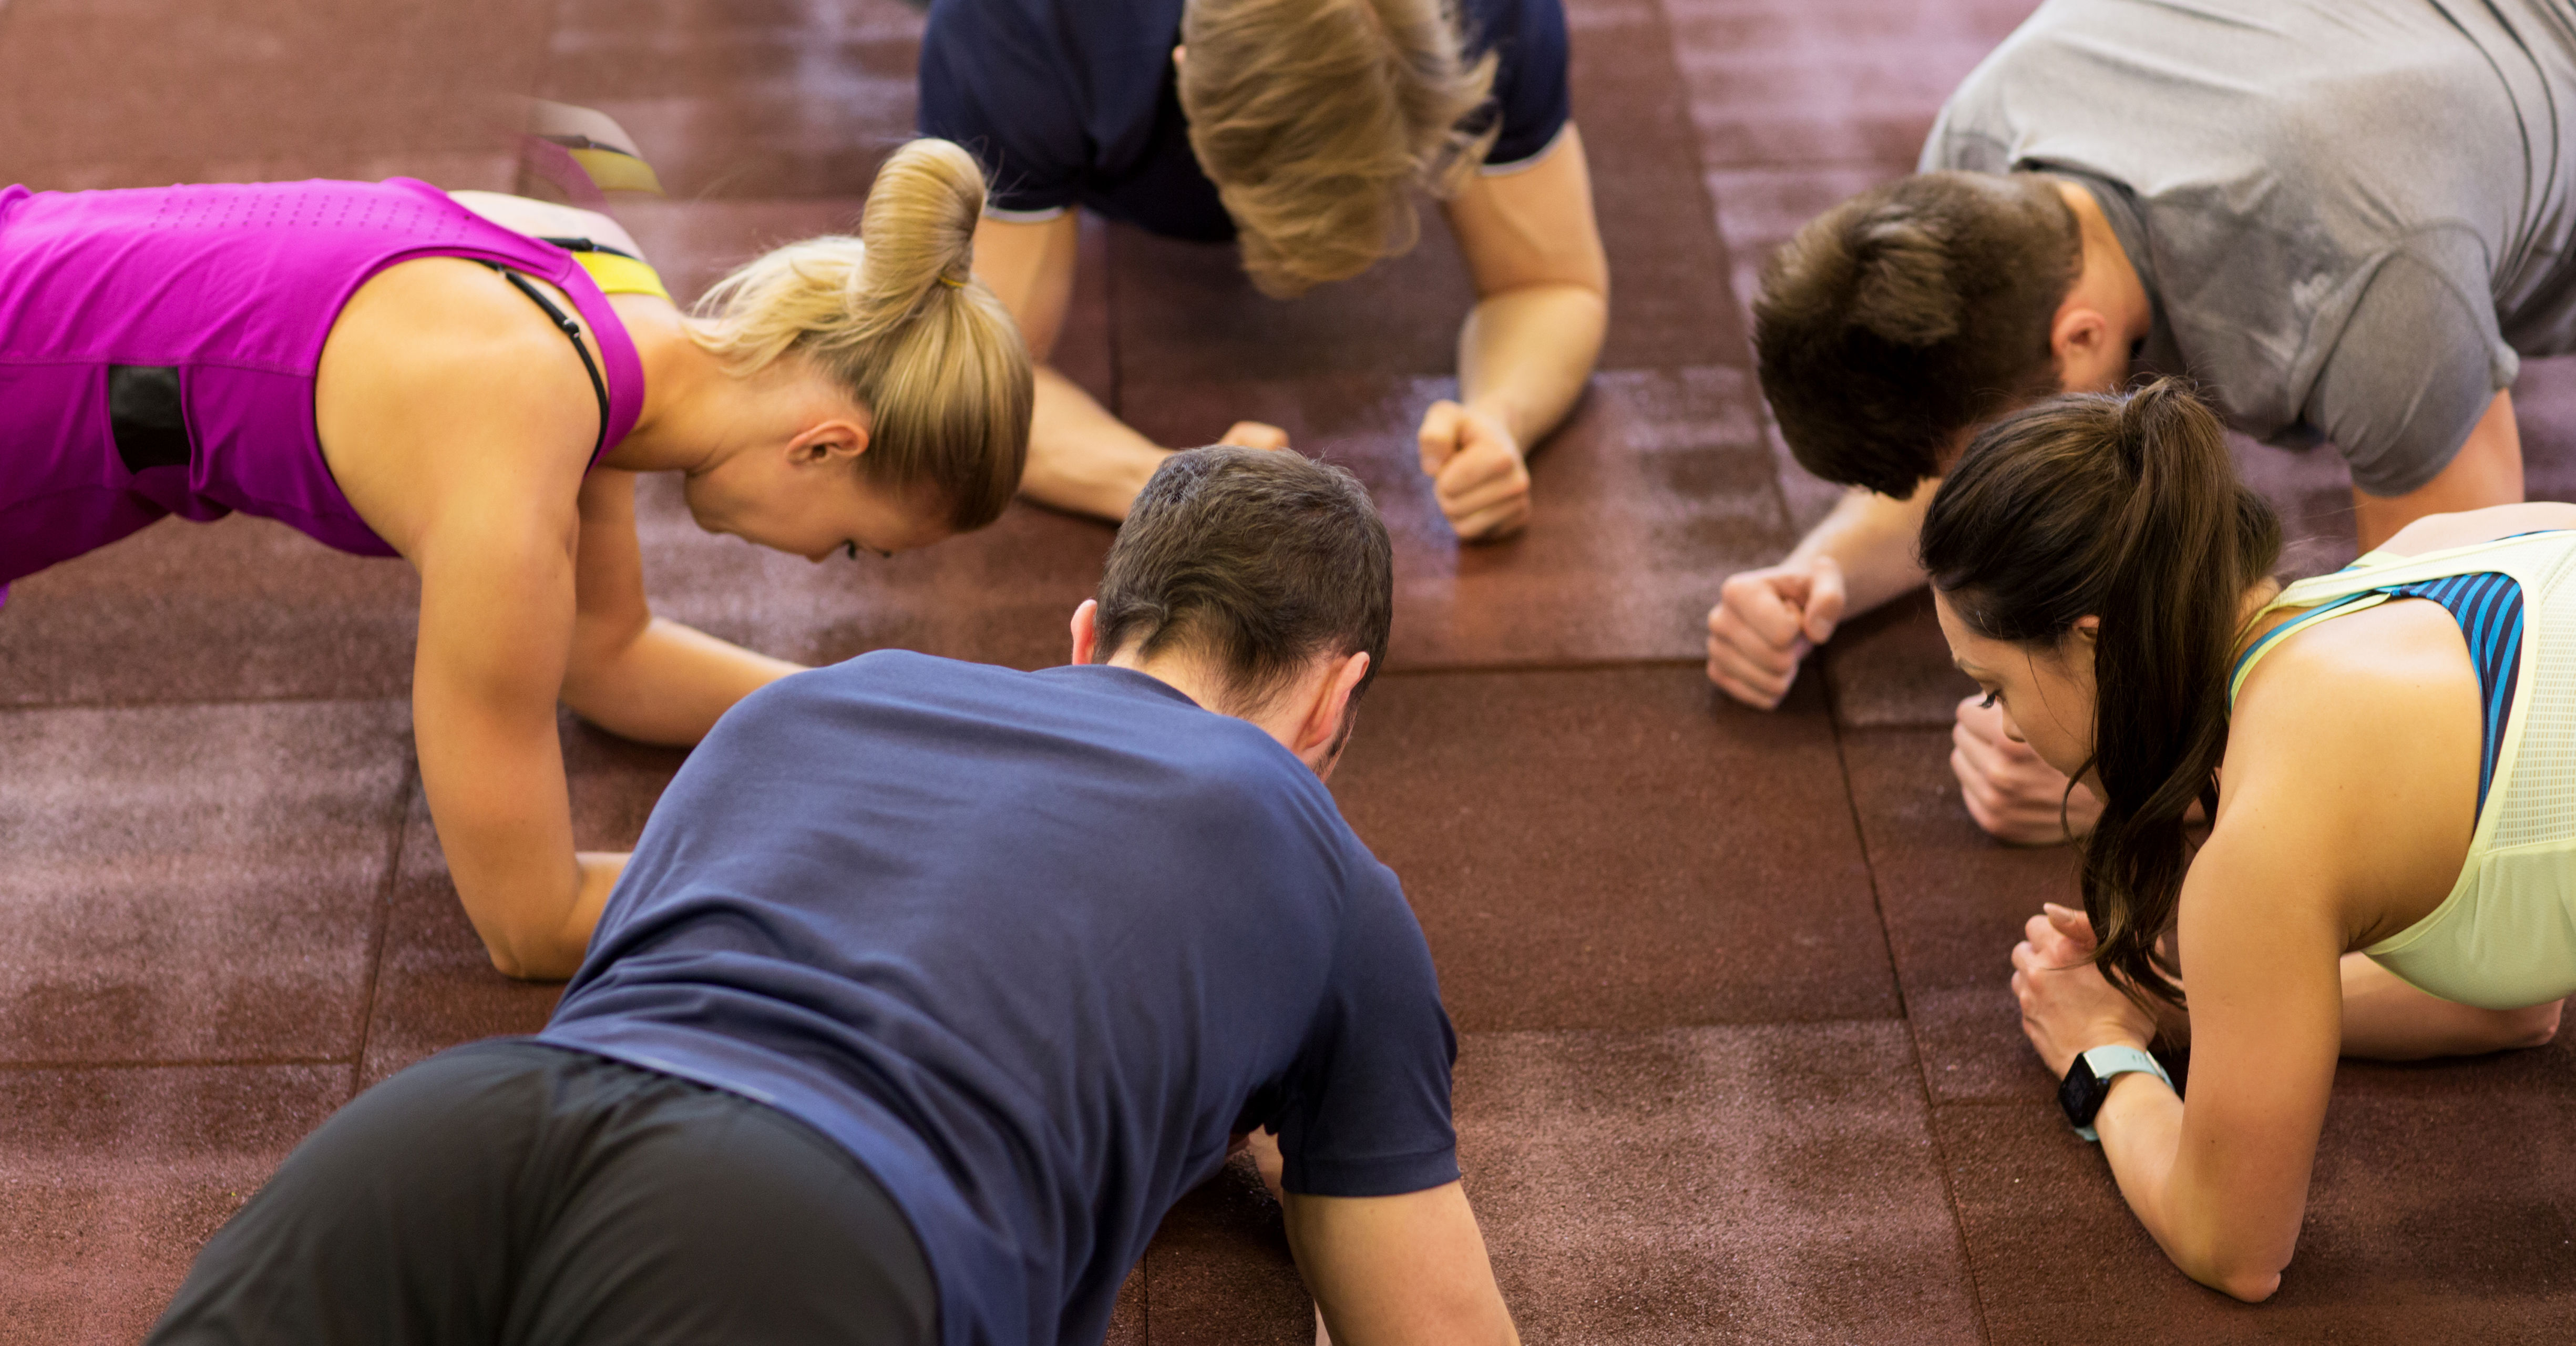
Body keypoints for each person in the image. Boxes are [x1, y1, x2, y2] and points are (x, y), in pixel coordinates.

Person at [143, 446, 1521, 1346]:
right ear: (1335, 699)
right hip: (807, 1229)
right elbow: (1431, 1327)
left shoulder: (807, 707)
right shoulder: (1321, 862)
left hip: (461, 1128)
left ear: (1087, 637)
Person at [0, 138, 1032, 979]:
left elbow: (607, 656)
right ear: (825, 446)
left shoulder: (596, 276)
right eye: (851, 544)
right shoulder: (515, 430)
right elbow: (532, 925)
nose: (818, 563)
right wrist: (893, 885)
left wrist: (887, 731)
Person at [1704, 0, 2576, 842]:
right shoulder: (1976, 170)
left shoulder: (2369, 289)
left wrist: (2156, 781)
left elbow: (2470, 684)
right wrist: (1821, 570)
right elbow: (1960, 454)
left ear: (2080, 338)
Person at [1922, 379, 2569, 1302]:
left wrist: (2100, 1056)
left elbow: (2231, 1245)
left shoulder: (2267, 842)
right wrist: (2194, 1008)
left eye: (1995, 688)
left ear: (2095, 642)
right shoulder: (2433, 552)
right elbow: (2509, 1000)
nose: (2008, 730)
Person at [918, 0, 1608, 541]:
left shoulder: (1489, 19)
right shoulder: (1018, 25)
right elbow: (975, 387)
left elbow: (1551, 284)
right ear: (1182, 68)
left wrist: (1502, 416)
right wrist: (1166, 487)